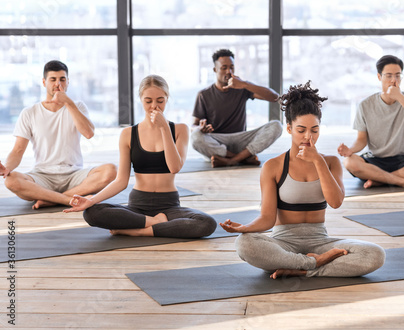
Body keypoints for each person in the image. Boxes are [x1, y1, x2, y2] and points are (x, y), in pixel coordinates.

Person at [220, 81, 385, 279]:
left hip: (321, 242)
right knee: (244, 243)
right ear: (289, 129)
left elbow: (335, 202)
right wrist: (245, 228)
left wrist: (317, 160)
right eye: (301, 130)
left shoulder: (330, 162)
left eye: (314, 130)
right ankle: (314, 263)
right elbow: (267, 218)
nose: (309, 137)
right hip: (283, 244)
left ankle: (300, 269)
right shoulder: (273, 166)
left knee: (374, 255)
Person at [64, 75, 217, 238]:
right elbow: (121, 181)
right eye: (148, 101)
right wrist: (91, 200)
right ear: (141, 100)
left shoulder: (180, 130)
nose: (154, 106)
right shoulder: (128, 134)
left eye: (160, 100)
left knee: (207, 223)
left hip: (169, 206)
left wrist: (164, 127)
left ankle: (140, 231)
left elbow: (175, 167)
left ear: (167, 99)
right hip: (138, 206)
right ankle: (155, 224)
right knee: (92, 213)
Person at [0, 60, 116, 209]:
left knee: (111, 170)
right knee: (11, 181)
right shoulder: (29, 112)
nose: (57, 84)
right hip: (42, 176)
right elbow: (18, 150)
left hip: (74, 174)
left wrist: (68, 102)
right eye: (53, 79)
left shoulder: (77, 106)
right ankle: (68, 200)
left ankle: (51, 199)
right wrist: (7, 167)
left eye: (62, 79)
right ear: (44, 82)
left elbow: (89, 133)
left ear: (68, 82)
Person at [338, 55, 404, 188]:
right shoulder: (365, 105)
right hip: (375, 160)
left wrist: (399, 97)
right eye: (389, 76)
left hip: (403, 160)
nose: (394, 80)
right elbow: (361, 139)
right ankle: (403, 181)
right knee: (349, 162)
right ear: (379, 77)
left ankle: (378, 180)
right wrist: (350, 150)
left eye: (398, 75)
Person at [191, 48, 283, 167]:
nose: (228, 71)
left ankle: (231, 160)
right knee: (195, 137)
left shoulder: (242, 88)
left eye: (232, 67)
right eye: (224, 68)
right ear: (215, 70)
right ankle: (243, 158)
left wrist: (245, 84)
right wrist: (200, 128)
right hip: (217, 141)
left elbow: (274, 97)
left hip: (241, 140)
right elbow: (193, 126)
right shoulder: (203, 95)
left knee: (276, 126)